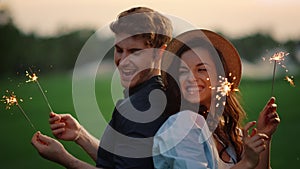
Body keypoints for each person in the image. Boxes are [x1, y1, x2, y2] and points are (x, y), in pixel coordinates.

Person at [31, 6, 174, 169]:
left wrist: (64, 158)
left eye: (135, 52)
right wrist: (80, 135)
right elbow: (117, 161)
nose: (124, 60)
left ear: (159, 53)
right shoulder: (157, 94)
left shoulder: (140, 108)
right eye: (119, 50)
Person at [153, 29, 280, 169]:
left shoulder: (230, 133)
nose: (191, 78)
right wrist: (246, 162)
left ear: (221, 77)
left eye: (201, 69)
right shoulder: (182, 124)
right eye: (183, 72)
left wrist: (264, 135)